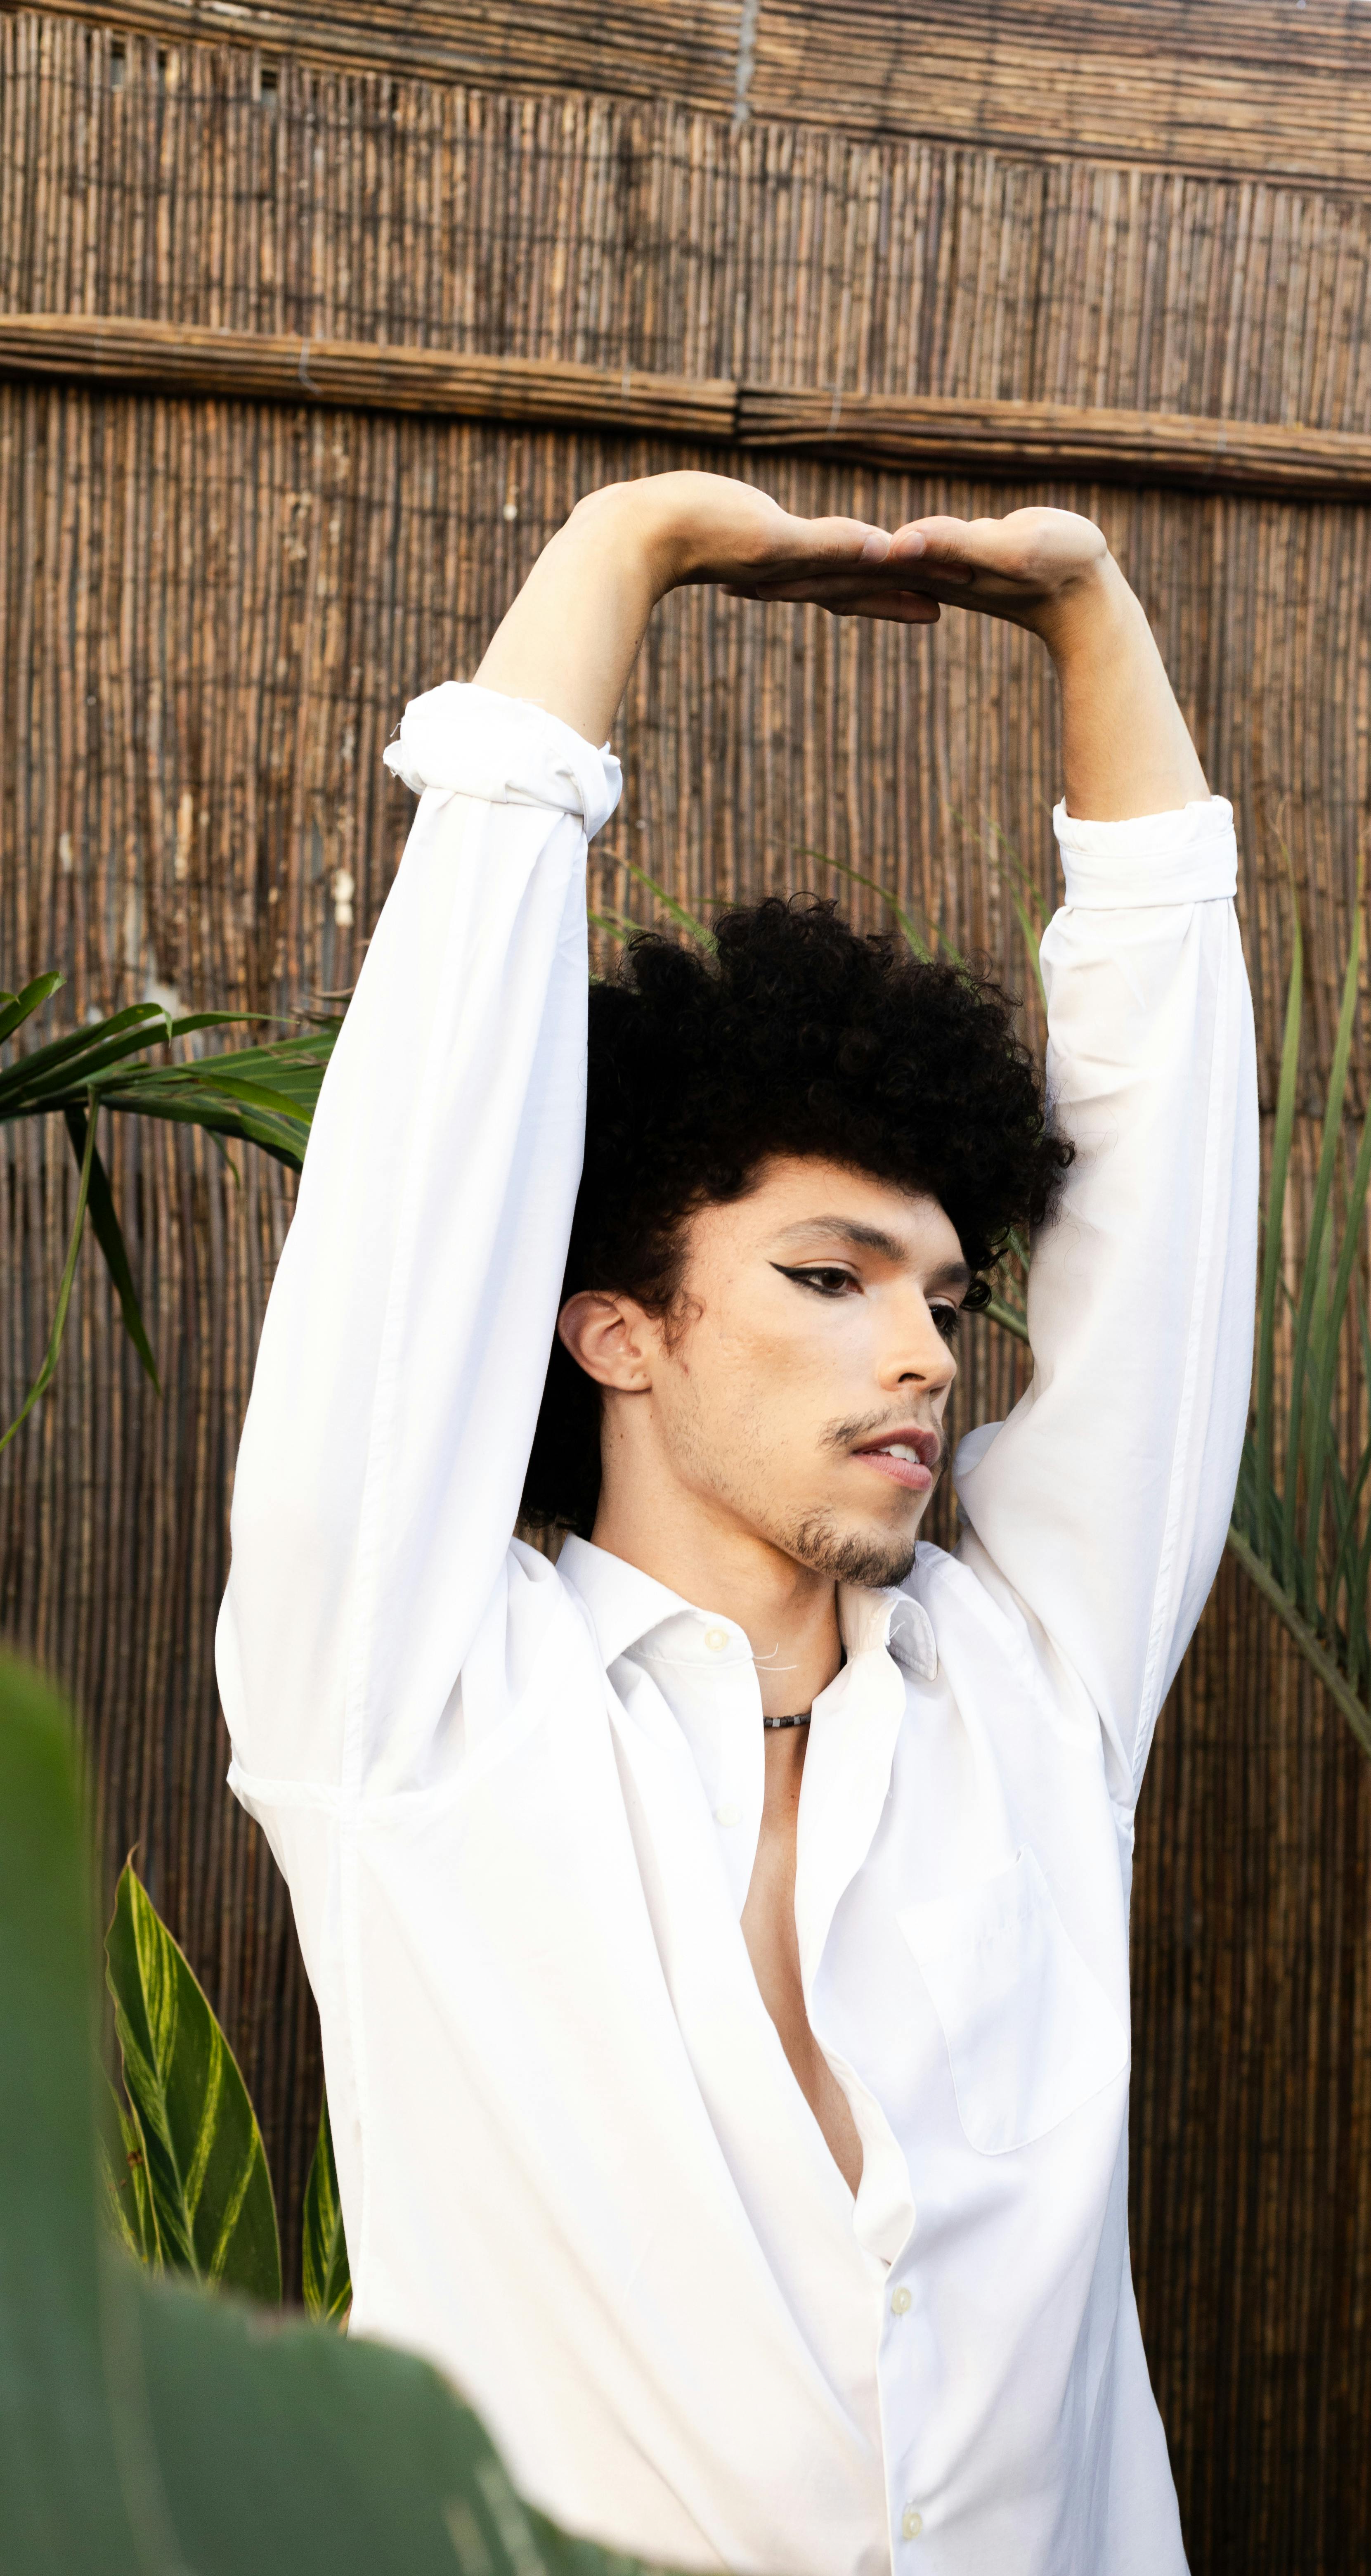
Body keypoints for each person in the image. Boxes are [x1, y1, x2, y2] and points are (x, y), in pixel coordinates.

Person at [217, 471, 1258, 2576]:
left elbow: (1162, 1246)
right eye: (825, 1277)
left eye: (943, 1297)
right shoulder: (411, 1715)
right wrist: (615, 556)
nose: (924, 1355)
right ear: (615, 1327)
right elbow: (418, 1203)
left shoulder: (1025, 1715)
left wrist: (1091, 622)